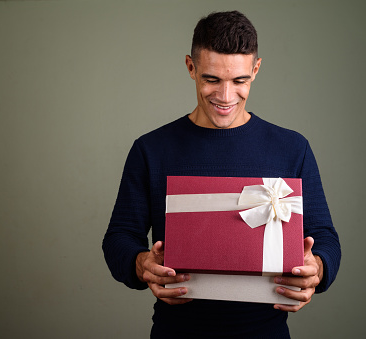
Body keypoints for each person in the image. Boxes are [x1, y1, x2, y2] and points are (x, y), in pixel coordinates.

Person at [102, 10, 341, 338]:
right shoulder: (151, 149)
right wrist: (141, 263)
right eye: (212, 79)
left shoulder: (292, 148)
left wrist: (319, 268)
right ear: (190, 67)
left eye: (239, 80)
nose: (225, 97)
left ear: (255, 70)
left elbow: (325, 237)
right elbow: (119, 238)